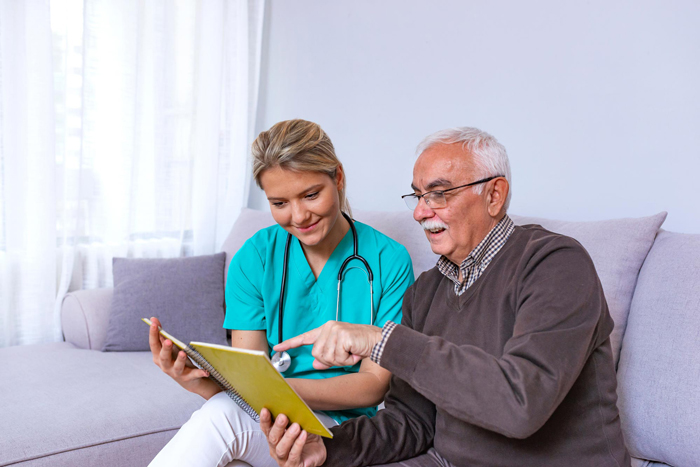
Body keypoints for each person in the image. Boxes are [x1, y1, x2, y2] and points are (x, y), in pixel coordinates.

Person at [261, 127, 631, 466]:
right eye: (419, 196)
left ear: (494, 195)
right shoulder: (426, 292)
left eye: (439, 194)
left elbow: (522, 404)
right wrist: (326, 448)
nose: (421, 212)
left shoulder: (555, 264)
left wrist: (381, 341)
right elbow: (412, 421)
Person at [147, 119, 414, 467]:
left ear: (339, 178)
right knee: (223, 416)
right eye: (279, 203)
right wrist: (195, 382)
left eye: (311, 194)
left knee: (223, 415)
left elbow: (372, 385)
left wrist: (278, 391)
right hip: (268, 420)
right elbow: (248, 385)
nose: (299, 216)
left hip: (340, 429)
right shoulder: (255, 257)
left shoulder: (388, 260)